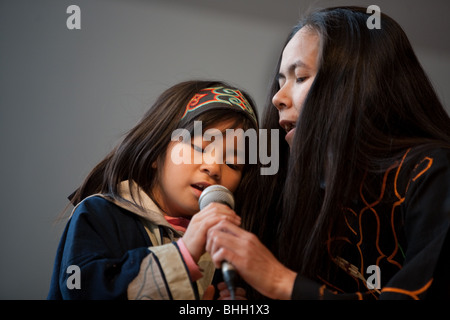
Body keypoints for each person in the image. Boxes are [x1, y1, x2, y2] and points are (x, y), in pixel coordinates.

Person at [206, 6, 450, 299]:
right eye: (281, 80)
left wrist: (280, 281)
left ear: (358, 83)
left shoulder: (431, 172)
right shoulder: (280, 183)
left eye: (300, 78)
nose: (277, 98)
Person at [47, 80, 259, 299]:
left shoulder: (220, 250)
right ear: (156, 152)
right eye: (199, 148)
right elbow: (80, 288)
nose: (214, 168)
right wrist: (183, 255)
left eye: (233, 163)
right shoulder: (98, 214)